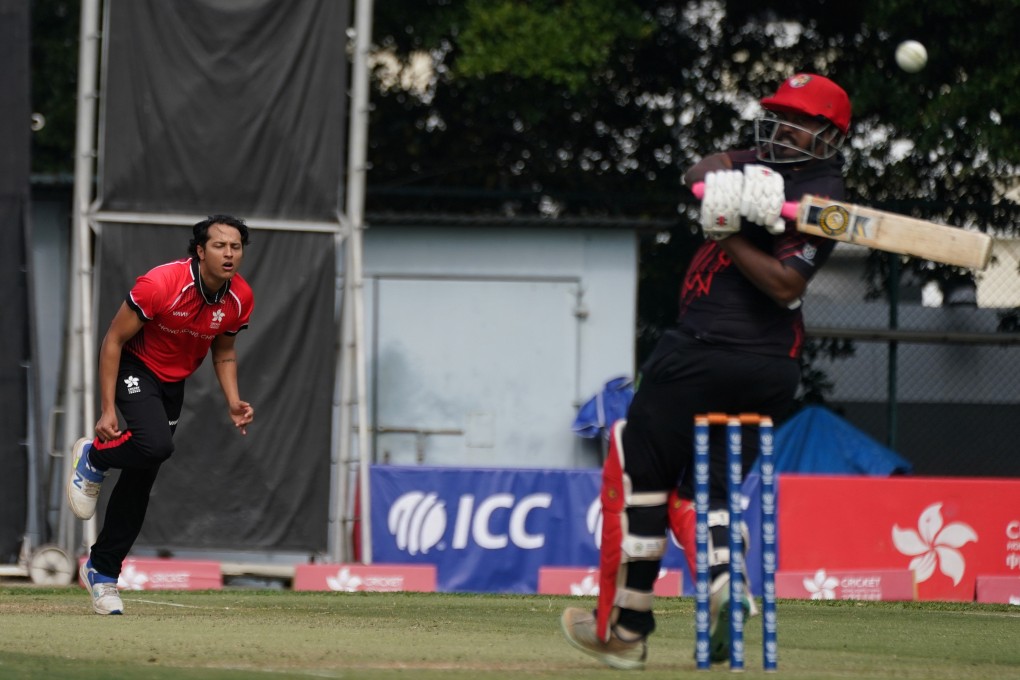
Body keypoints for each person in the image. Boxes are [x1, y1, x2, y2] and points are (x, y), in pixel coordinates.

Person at [561, 73, 851, 669]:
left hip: (702, 351)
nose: (780, 127)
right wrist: (742, 191)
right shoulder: (760, 162)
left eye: (796, 120)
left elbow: (784, 283)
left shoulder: (827, 197)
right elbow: (697, 173)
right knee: (705, 493)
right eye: (777, 114)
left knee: (637, 477)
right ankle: (725, 587)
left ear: (827, 135)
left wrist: (731, 233)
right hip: (769, 371)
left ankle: (622, 628)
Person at [66, 214, 256, 615]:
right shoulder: (161, 284)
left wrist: (233, 401)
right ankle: (94, 457)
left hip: (172, 384)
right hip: (134, 367)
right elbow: (114, 340)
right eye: (220, 246)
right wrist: (106, 410)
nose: (228, 254)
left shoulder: (239, 298)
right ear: (200, 251)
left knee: (141, 477)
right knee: (156, 445)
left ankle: (101, 573)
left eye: (235, 247)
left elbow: (223, 353)